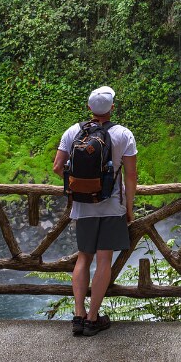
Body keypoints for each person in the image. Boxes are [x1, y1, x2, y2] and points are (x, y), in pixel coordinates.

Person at [53, 86, 138, 337]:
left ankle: (78, 316)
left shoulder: (73, 131)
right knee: (103, 260)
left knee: (83, 258)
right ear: (112, 108)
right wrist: (130, 209)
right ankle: (93, 318)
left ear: (89, 108)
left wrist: (80, 184)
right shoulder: (124, 134)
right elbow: (131, 176)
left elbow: (58, 167)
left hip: (83, 205)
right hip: (112, 206)